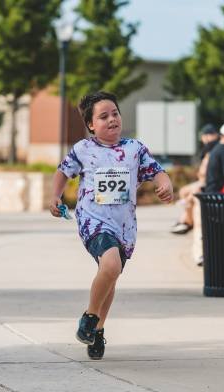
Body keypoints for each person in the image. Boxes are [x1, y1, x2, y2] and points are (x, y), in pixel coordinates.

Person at [49, 91, 173, 360]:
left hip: (124, 226)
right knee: (111, 265)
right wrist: (55, 196)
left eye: (115, 113)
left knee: (110, 274)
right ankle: (90, 317)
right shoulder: (84, 149)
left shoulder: (135, 149)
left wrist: (165, 185)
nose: (112, 119)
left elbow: (157, 171)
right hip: (93, 219)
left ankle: (97, 329)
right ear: (91, 125)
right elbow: (63, 171)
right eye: (103, 116)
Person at [171, 124, 219, 234]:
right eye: (204, 136)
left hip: (209, 181)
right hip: (204, 180)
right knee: (183, 191)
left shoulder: (215, 148)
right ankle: (187, 220)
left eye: (208, 135)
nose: (205, 138)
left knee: (191, 194)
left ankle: (186, 222)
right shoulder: (208, 148)